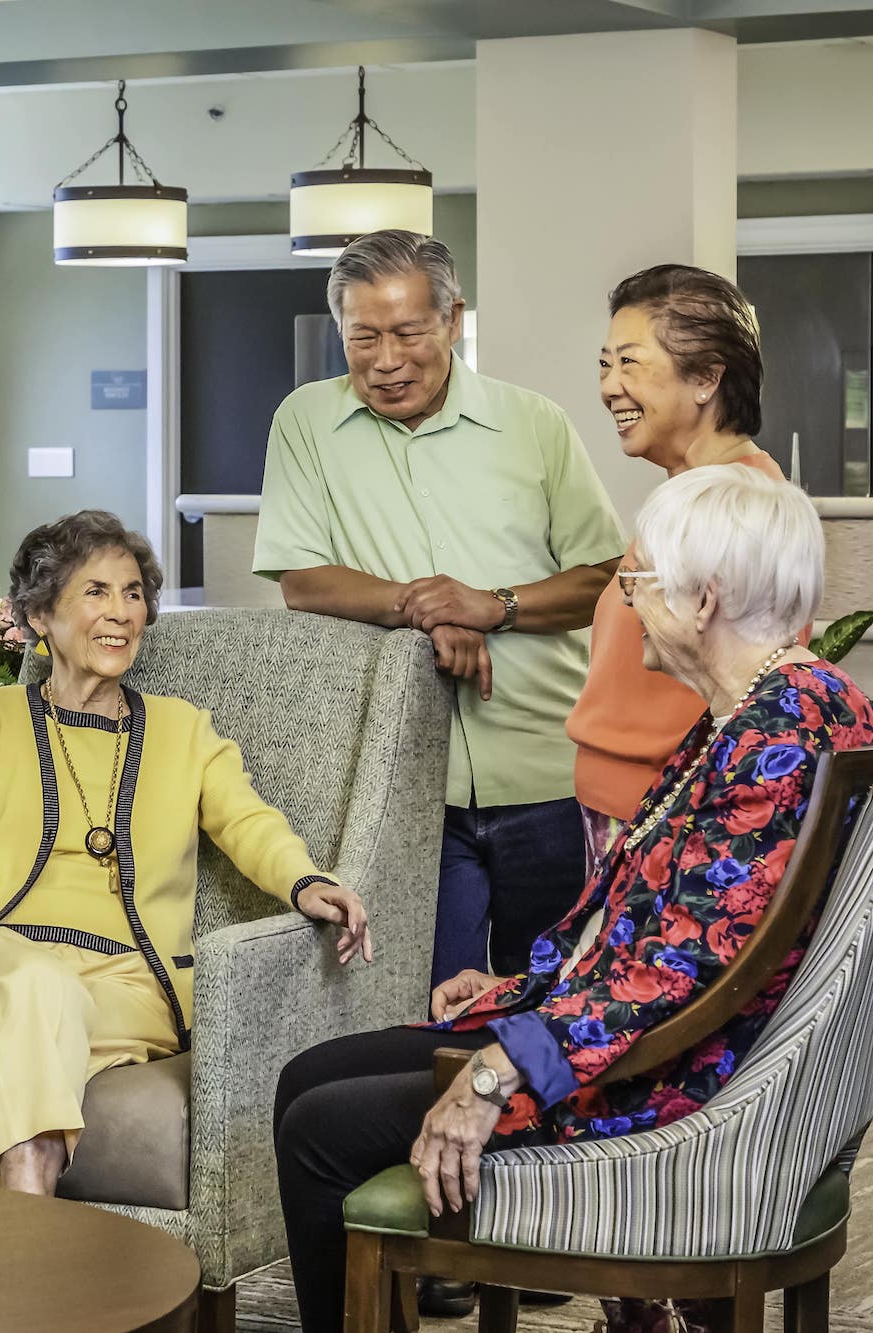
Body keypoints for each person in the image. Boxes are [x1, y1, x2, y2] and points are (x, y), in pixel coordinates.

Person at [273, 466, 872, 1333]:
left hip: (669, 1079)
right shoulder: (774, 706)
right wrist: (513, 989)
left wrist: (493, 1070)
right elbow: (670, 930)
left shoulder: (776, 730)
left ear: (702, 599)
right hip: (648, 1038)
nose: (624, 602)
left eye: (639, 581)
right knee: (309, 1073)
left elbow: (680, 976)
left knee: (320, 1128)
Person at [0, 510, 371, 1193]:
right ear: (39, 616)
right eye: (95, 591)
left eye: (132, 593)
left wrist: (303, 880)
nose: (121, 612)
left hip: (132, 982)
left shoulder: (184, 730)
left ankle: (8, 1239)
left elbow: (249, 820)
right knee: (36, 988)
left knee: (9, 1043)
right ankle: (29, 1225)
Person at [254, 228, 626, 988]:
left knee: (552, 1004)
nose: (386, 360)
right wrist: (425, 607)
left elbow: (605, 577)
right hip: (404, 780)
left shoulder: (535, 424)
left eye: (407, 333)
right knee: (420, 1007)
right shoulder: (305, 423)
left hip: (548, 772)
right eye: (363, 337)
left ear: (453, 320)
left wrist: (494, 606)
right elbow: (301, 578)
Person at [569, 264, 787, 874]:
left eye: (631, 362)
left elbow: (746, 692)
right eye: (605, 364)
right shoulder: (690, 494)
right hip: (634, 805)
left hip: (664, 815)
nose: (610, 386)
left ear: (707, 378)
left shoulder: (730, 505)